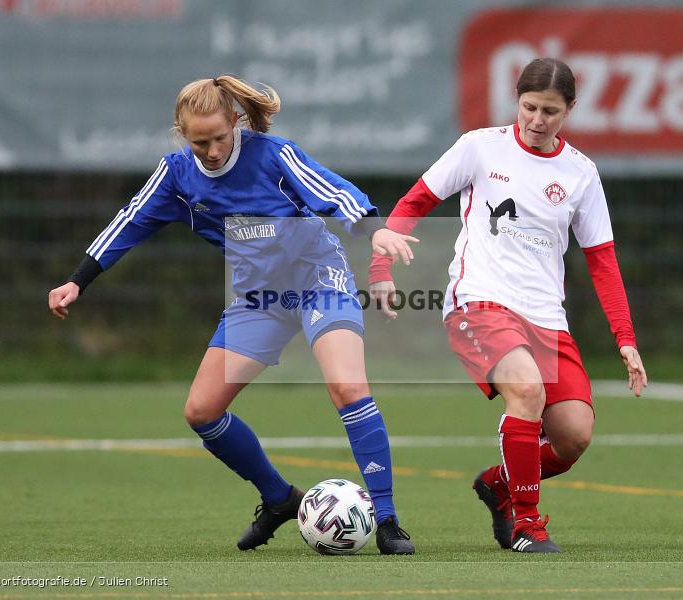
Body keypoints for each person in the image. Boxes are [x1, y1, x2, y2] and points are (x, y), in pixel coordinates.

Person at [48, 75, 418, 555]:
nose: (213, 150)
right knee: (201, 411)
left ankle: (386, 519)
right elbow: (131, 221)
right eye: (200, 142)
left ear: (237, 123)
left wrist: (373, 230)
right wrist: (78, 279)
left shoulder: (273, 154)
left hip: (316, 280)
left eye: (221, 138)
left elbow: (331, 189)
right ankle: (279, 498)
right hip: (257, 298)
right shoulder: (177, 174)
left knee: (348, 388)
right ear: (182, 134)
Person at [369, 58, 646, 553]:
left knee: (574, 437)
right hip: (479, 301)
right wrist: (380, 269)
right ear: (516, 100)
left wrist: (625, 340)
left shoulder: (581, 173)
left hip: (546, 317)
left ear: (570, 110)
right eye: (530, 107)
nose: (538, 120)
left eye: (551, 112)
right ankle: (527, 525)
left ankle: (499, 484)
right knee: (526, 389)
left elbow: (602, 261)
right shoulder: (480, 147)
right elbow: (414, 203)